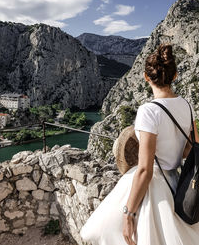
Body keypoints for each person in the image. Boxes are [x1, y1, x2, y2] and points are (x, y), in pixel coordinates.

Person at [80, 44, 199, 245]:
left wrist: (129, 213)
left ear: (146, 77)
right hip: (177, 185)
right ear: (176, 75)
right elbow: (191, 149)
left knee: (100, 231)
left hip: (153, 187)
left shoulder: (148, 111)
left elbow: (145, 170)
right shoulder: (187, 106)